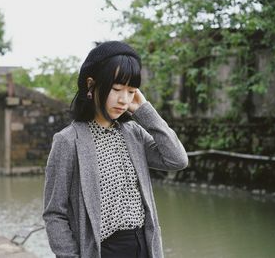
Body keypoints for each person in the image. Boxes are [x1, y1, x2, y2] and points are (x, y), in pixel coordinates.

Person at [43, 41, 188, 258]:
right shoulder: (67, 141)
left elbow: (177, 160)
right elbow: (55, 213)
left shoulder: (133, 133)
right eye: (117, 89)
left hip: (144, 246)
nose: (123, 99)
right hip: (103, 250)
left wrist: (144, 110)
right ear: (91, 86)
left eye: (131, 92)